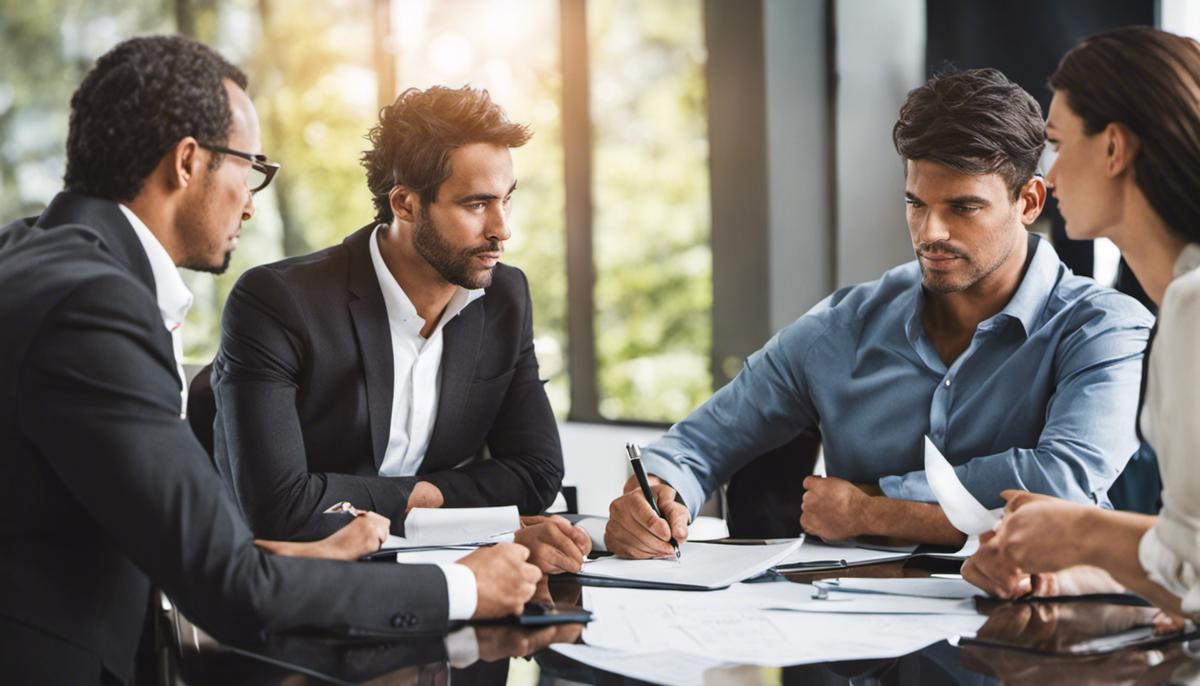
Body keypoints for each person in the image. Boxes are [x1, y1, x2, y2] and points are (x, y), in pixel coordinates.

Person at [0, 36, 541, 683]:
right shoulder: (96, 302)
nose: (252, 203)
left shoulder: (33, 252)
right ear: (188, 162)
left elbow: (106, 508)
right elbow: (233, 592)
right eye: (249, 169)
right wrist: (459, 587)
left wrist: (274, 555)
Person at [605, 68, 1154, 559]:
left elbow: (1062, 487)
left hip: (1029, 643)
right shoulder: (843, 326)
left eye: (963, 207)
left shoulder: (1105, 329)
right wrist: (655, 493)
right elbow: (698, 443)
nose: (930, 233)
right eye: (916, 204)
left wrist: (874, 508)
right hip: (862, 656)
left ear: (1029, 202)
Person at [208, 85, 589, 574]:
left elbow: (537, 474)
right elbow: (281, 509)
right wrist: (437, 499)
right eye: (476, 205)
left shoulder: (504, 299)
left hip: (461, 586)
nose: (502, 229)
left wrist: (411, 501)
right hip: (313, 595)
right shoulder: (278, 302)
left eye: (506, 201)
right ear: (405, 204)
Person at [963, 27, 1200, 624]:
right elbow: (1186, 567)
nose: (1053, 175)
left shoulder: (1193, 304)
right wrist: (1071, 570)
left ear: (1115, 149)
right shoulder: (1176, 304)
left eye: (1060, 145)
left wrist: (1084, 529)